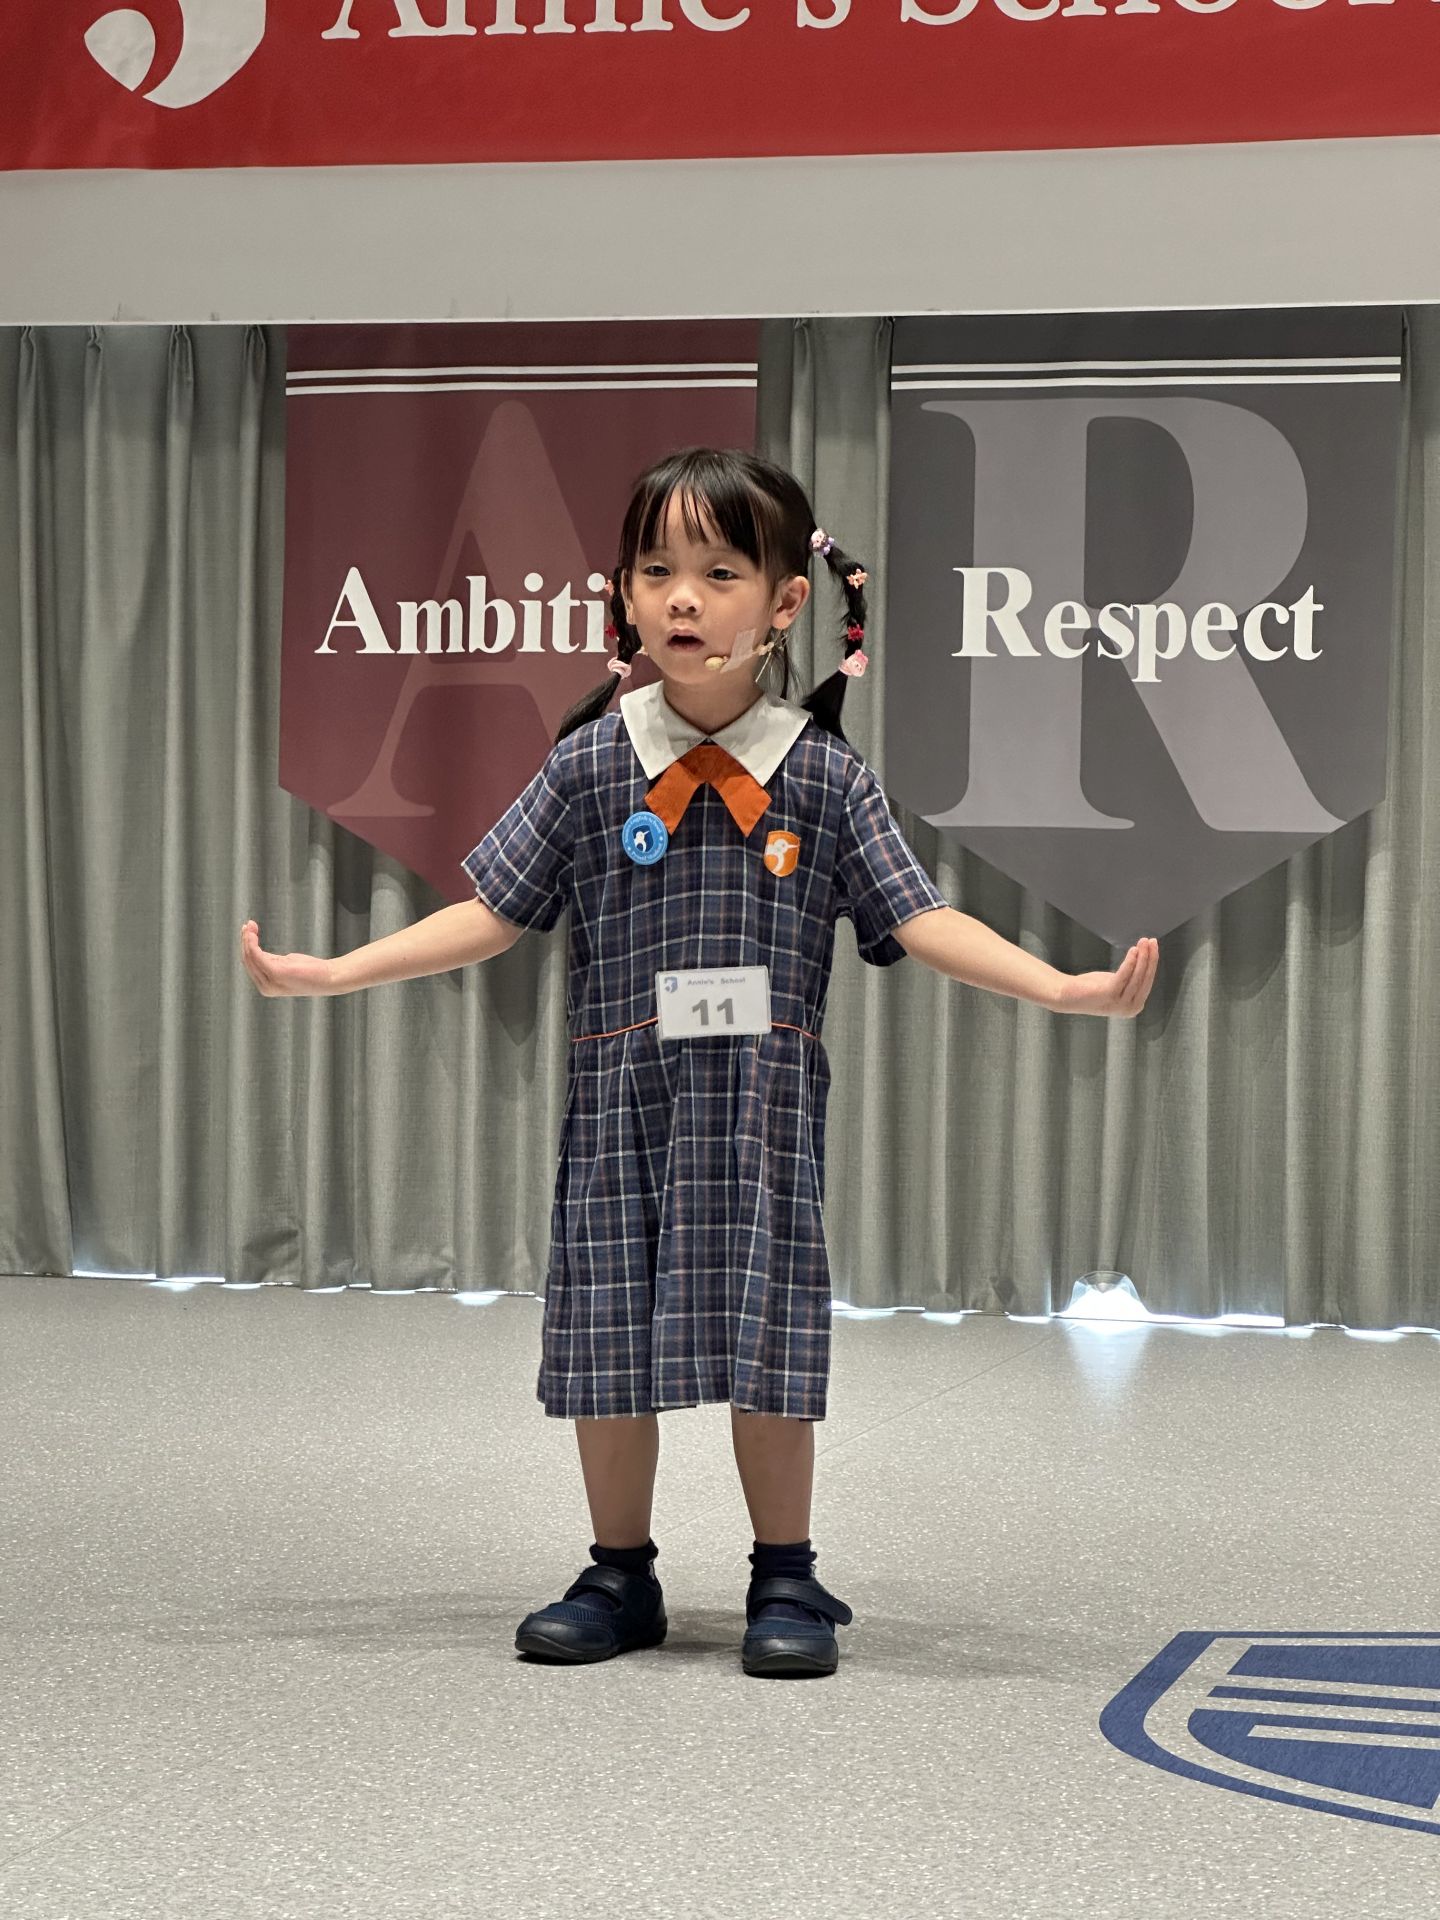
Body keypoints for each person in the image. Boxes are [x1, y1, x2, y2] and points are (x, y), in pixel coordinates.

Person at [241, 447, 1158, 1681]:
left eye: (721, 572)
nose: (683, 597)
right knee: (607, 1336)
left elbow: (919, 915)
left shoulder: (823, 776)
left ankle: (786, 1572)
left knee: (771, 1335)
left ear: (786, 601)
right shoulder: (589, 763)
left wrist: (1060, 986)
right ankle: (619, 1574)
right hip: (620, 1110)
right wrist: (337, 971)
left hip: (762, 1116)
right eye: (656, 570)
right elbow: (496, 910)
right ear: (623, 594)